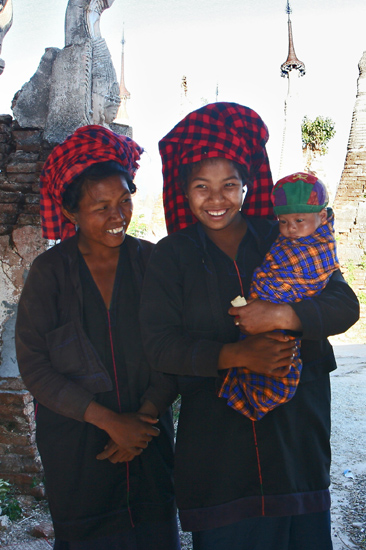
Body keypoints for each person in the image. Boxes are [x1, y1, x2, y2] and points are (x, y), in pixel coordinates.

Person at [139, 102, 359, 550]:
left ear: (246, 187)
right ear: (184, 190)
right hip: (219, 450)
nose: (216, 199)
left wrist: (285, 316)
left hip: (295, 437)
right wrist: (236, 355)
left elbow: (344, 305)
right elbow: (160, 346)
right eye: (202, 187)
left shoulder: (287, 237)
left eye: (229, 186)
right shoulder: (172, 256)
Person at [15, 125, 180, 550]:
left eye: (124, 200)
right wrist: (110, 423)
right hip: (79, 448)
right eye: (100, 206)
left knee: (154, 532)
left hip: (149, 439)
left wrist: (140, 424)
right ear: (71, 213)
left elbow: (173, 345)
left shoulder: (151, 261)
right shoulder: (49, 274)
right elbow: (35, 366)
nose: (117, 216)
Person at [219, 172, 340, 420]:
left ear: (323, 217)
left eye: (299, 220)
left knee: (278, 357)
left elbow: (346, 305)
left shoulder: (317, 248)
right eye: (283, 222)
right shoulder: (177, 249)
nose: (290, 229)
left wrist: (279, 314)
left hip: (303, 407)